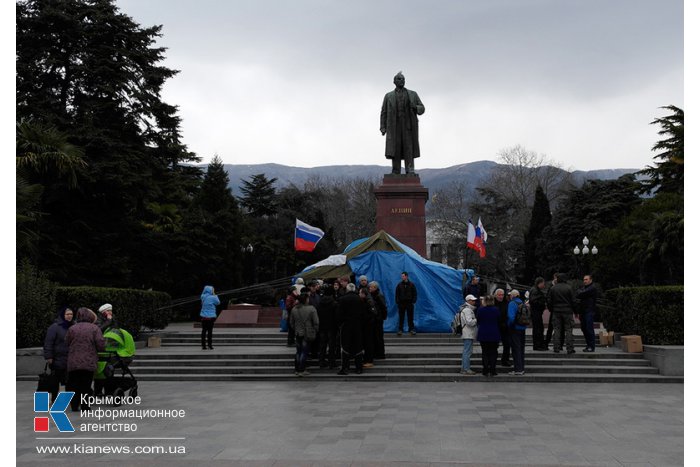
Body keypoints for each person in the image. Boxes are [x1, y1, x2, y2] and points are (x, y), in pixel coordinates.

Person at [380, 72, 425, 175]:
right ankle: (396, 170)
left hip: (408, 126)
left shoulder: (413, 94)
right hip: (394, 127)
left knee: (408, 147)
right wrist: (383, 127)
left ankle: (410, 169)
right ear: (394, 81)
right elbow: (383, 112)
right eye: (399, 79)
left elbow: (422, 108)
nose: (402, 81)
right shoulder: (388, 96)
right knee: (396, 148)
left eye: (403, 79)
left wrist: (415, 107)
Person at [65, 307, 105, 411]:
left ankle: (74, 405)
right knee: (86, 385)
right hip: (88, 361)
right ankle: (85, 406)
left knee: (74, 384)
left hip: (73, 361)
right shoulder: (94, 328)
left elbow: (67, 343)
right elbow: (100, 344)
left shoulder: (72, 328)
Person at [43, 307, 74, 402]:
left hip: (70, 359)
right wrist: (49, 357)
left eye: (71, 314)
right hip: (57, 359)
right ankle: (54, 399)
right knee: (55, 381)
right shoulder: (54, 327)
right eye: (67, 314)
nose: (69, 316)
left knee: (70, 381)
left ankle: (69, 399)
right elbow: (48, 342)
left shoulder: (74, 326)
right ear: (62, 315)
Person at [289, 288, 319, 377]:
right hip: (307, 333)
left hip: (298, 333)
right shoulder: (311, 308)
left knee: (298, 351)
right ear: (306, 300)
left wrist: (296, 329)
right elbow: (316, 322)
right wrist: (315, 330)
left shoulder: (294, 309)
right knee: (304, 352)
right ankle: (301, 370)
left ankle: (297, 369)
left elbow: (291, 322)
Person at [337, 283, 365, 375]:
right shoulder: (360, 299)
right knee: (358, 345)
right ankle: (359, 368)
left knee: (345, 346)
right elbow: (362, 313)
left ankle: (345, 368)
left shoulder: (342, 299)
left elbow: (339, 314)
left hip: (346, 325)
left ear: (347, 290)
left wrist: (340, 323)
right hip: (357, 325)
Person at [547, 273, 576, 354]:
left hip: (556, 311)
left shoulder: (553, 288)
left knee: (556, 329)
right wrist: (575, 310)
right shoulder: (569, 288)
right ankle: (570, 348)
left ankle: (556, 348)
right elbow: (573, 301)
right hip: (567, 311)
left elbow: (549, 301)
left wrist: (551, 309)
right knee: (569, 329)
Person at [476, 295, 501, 377]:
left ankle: (485, 369)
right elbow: (499, 320)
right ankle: (493, 370)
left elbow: (478, 320)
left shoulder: (480, 310)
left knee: (485, 352)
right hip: (494, 333)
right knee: (493, 352)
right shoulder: (496, 309)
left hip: (483, 333)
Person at [317, 283, 339, 369]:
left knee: (322, 345)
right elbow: (337, 316)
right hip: (332, 327)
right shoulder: (334, 304)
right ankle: (331, 362)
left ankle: (321, 361)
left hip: (322, 327)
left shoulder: (319, 303)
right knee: (332, 345)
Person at [506, 290, 526, 376]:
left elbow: (511, 317)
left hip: (515, 328)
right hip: (522, 327)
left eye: (510, 295)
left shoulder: (512, 303)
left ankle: (518, 369)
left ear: (513, 296)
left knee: (515, 349)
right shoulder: (522, 303)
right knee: (521, 348)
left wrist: (509, 325)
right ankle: (521, 367)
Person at [576, 274, 597, 352]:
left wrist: (580, 292)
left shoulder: (592, 288)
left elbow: (580, 293)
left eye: (586, 279)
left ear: (591, 280)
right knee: (584, 329)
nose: (584, 281)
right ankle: (588, 345)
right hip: (583, 312)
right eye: (584, 279)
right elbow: (578, 293)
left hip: (589, 311)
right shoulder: (585, 288)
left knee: (589, 329)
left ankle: (591, 346)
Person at [458, 295, 478, 375]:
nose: (474, 302)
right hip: (468, 333)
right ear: (468, 301)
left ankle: (464, 368)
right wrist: (477, 319)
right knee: (467, 352)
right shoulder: (467, 310)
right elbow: (469, 322)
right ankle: (466, 369)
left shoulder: (466, 309)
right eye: (472, 300)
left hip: (467, 333)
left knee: (466, 351)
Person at [369, 281, 388, 360]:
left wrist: (381, 317)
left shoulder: (379, 296)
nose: (369, 288)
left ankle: (380, 353)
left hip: (378, 320)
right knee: (374, 337)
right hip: (374, 320)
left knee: (379, 337)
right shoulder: (372, 295)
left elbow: (383, 308)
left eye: (371, 287)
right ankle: (376, 352)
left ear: (375, 288)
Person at [395, 271, 418, 335]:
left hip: (409, 303)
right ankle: (400, 329)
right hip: (401, 303)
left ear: (406, 276)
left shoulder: (411, 284)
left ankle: (411, 329)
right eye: (401, 276)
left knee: (410, 317)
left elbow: (415, 293)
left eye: (403, 276)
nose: (402, 277)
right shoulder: (399, 285)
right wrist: (398, 302)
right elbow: (397, 294)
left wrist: (413, 301)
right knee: (401, 317)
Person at [359, 287, 377, 368]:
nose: (359, 294)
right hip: (366, 326)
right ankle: (367, 360)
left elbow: (373, 313)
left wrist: (366, 319)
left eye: (360, 293)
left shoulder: (368, 302)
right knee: (367, 344)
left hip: (368, 326)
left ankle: (369, 360)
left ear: (363, 294)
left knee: (368, 344)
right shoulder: (366, 301)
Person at [529, 277, 548, 350]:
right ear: (539, 283)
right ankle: (537, 345)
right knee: (538, 329)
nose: (544, 285)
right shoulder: (535, 290)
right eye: (543, 284)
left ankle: (539, 345)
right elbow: (533, 301)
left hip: (537, 312)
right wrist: (541, 303)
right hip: (536, 312)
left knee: (539, 328)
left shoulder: (535, 290)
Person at [494, 288, 511, 367]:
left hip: (505, 327)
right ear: (496, 295)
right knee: (494, 345)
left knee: (507, 344)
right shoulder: (493, 303)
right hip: (495, 328)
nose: (501, 296)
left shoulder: (506, 303)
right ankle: (493, 360)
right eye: (499, 295)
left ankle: (505, 360)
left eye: (502, 295)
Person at [199, 285, 220, 350]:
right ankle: (210, 345)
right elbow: (218, 303)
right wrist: (214, 295)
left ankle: (203, 345)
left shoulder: (202, 296)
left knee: (204, 331)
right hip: (211, 317)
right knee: (210, 331)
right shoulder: (213, 297)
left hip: (204, 316)